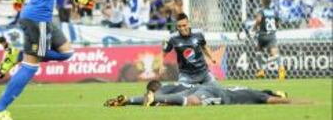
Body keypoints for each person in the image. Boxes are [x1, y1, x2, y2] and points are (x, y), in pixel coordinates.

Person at [104, 80, 290, 107]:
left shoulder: (165, 87)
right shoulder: (255, 94)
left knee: (189, 100)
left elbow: (156, 92)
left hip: (204, 88)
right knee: (193, 101)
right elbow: (270, 99)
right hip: (212, 90)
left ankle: (127, 100)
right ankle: (156, 99)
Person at [159, 13, 217, 86]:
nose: (182, 28)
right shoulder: (172, 38)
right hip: (186, 75)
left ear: (189, 24)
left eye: (184, 25)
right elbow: (162, 52)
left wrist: (211, 57)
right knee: (183, 94)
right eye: (179, 26)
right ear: (176, 27)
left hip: (204, 73)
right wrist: (161, 65)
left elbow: (204, 46)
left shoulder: (199, 34)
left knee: (216, 90)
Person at [253, 0, 285, 80]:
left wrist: (254, 28)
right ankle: (281, 69)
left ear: (263, 2)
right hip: (271, 35)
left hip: (262, 35)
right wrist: (275, 27)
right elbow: (278, 22)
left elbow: (259, 20)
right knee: (275, 54)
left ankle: (261, 70)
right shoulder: (274, 12)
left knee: (258, 51)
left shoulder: (261, 11)